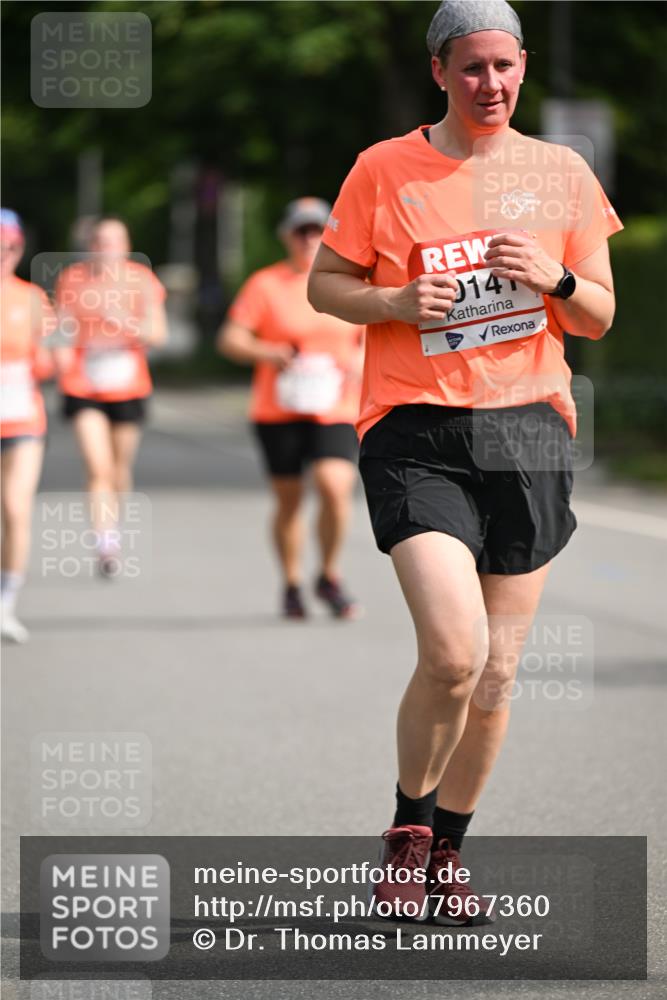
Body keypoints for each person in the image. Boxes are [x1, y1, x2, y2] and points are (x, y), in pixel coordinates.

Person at [308, 0, 623, 924]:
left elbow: (599, 312)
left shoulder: (559, 171)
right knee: (454, 653)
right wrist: (400, 298)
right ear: (439, 72)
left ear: (523, 67)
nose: (491, 84)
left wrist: (556, 281)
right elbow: (328, 285)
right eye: (472, 68)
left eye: (505, 67)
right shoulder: (385, 168)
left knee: (497, 672)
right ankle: (406, 834)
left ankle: (449, 852)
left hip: (527, 426)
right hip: (416, 426)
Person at [218, 198, 365, 619]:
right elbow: (231, 338)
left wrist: (361, 359)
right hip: (279, 408)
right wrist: (266, 350)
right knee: (289, 501)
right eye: (301, 231)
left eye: (317, 230)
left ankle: (330, 575)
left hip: (336, 405)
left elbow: (376, 330)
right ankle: (292, 583)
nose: (309, 239)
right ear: (287, 236)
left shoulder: (350, 280)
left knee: (335, 487)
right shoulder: (267, 284)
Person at [54, 218, 167, 576]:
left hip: (127, 384)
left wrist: (125, 324)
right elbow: (61, 327)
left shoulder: (141, 280)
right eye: (100, 241)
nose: (105, 247)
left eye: (113, 241)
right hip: (83, 383)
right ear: (90, 245)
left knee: (119, 468)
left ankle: (113, 527)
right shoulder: (72, 278)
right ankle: (105, 543)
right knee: (97, 465)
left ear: (125, 244)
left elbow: (158, 334)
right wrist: (59, 351)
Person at [1, 209, 57, 642]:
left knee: (16, 509)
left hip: (21, 418)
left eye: (12, 245)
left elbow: (52, 359)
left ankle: (6, 602)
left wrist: (49, 359)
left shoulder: (33, 299)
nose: (4, 252)